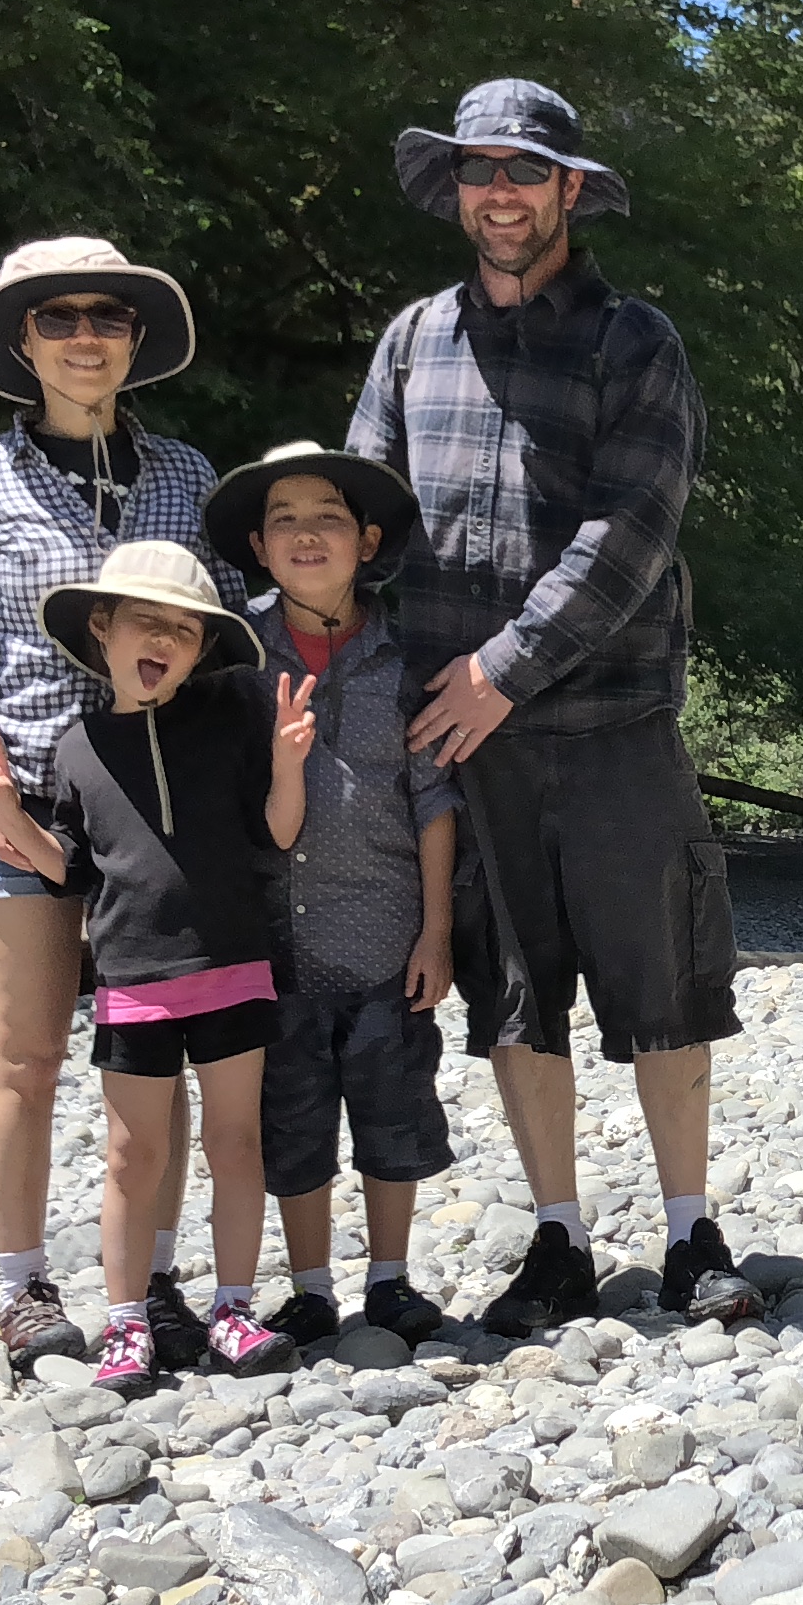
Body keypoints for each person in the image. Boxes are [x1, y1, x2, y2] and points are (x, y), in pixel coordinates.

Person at [352, 78, 754, 1336]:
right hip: (463, 749)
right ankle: (559, 1238)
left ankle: (693, 1234)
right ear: (457, 192)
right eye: (480, 171)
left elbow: (630, 535)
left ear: (570, 191)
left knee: (663, 988)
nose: (503, 193)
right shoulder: (411, 342)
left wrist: (501, 670)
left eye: (526, 172)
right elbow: (359, 518)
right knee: (513, 1001)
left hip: (617, 725)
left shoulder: (640, 343)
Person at [0, 236, 239, 1374]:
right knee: (26, 1058)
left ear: (137, 340)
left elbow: (224, 633)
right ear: (24, 341)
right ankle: (20, 1288)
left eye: (107, 316)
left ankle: (148, 1281)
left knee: (159, 1055)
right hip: (24, 797)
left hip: (158, 802)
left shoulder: (188, 477)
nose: (85, 336)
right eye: (59, 319)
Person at [0, 538, 316, 1388]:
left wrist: (290, 765)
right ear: (102, 629)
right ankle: (126, 1322)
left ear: (201, 652)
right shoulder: (77, 746)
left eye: (186, 633)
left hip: (232, 967)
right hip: (133, 984)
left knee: (236, 1146)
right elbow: (74, 868)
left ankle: (232, 1308)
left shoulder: (228, 721)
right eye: (146, 623)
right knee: (132, 1156)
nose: (164, 641)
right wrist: (10, 815)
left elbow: (278, 831)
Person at [204, 440, 463, 1347]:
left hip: (391, 933)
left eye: (327, 519)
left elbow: (433, 798)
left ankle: (389, 1279)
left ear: (367, 539)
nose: (307, 535)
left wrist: (438, 934)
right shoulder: (235, 653)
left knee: (395, 1108)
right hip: (272, 945)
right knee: (293, 1115)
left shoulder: (406, 655)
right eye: (285, 522)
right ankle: (310, 1286)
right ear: (259, 548)